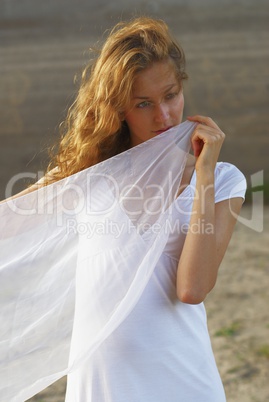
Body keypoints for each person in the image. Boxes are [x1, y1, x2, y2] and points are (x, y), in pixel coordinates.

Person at [2, 16, 246, 402]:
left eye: (170, 96)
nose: (163, 116)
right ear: (118, 109)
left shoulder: (225, 180)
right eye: (143, 103)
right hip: (102, 385)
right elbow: (7, 224)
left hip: (182, 381)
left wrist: (204, 175)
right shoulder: (88, 174)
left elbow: (191, 288)